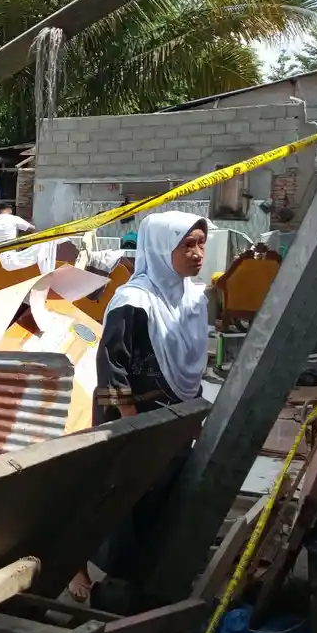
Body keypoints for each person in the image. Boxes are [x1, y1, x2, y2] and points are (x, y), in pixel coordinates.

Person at [66, 211, 210, 609]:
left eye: (201, 243)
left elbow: (194, 364)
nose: (198, 253)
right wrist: (135, 425)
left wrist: (191, 413)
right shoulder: (133, 302)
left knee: (163, 494)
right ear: (162, 249)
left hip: (175, 417)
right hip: (130, 419)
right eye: (187, 245)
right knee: (121, 496)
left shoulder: (194, 299)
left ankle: (145, 572)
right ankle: (88, 570)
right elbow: (111, 370)